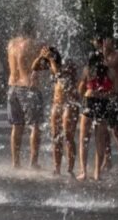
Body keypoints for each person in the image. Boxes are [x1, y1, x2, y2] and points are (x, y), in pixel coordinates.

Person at [36, 46, 79, 176]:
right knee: (56, 136)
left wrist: (49, 59)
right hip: (57, 104)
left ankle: (70, 169)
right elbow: (34, 67)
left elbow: (58, 74)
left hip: (69, 104)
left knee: (68, 136)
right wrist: (40, 56)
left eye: (49, 56)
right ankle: (57, 168)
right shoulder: (51, 65)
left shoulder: (67, 64)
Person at [6, 20, 44, 169]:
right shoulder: (32, 44)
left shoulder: (11, 44)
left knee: (17, 126)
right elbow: (44, 63)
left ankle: (16, 163)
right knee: (34, 126)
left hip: (12, 88)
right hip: (27, 88)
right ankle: (33, 163)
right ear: (32, 31)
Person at [96, 36, 118, 173]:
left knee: (116, 130)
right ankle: (108, 160)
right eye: (103, 42)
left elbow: (110, 65)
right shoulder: (102, 55)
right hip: (107, 96)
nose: (105, 43)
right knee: (105, 129)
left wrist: (104, 52)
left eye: (107, 41)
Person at [76, 52, 112, 181]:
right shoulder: (109, 72)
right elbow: (113, 90)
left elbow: (80, 88)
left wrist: (83, 93)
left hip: (89, 99)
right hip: (103, 102)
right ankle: (97, 173)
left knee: (84, 139)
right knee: (100, 140)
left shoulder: (88, 70)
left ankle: (83, 172)